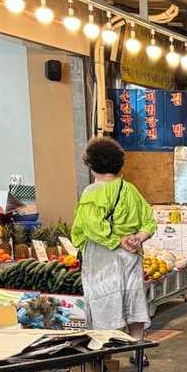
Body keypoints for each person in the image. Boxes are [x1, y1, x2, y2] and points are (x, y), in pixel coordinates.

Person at [70, 136, 155, 336]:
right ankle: (137, 347)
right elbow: (149, 221)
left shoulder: (92, 192)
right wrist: (137, 239)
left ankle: (110, 350)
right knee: (133, 305)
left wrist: (117, 241)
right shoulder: (130, 189)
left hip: (103, 261)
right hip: (131, 258)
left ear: (92, 166)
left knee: (106, 308)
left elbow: (91, 226)